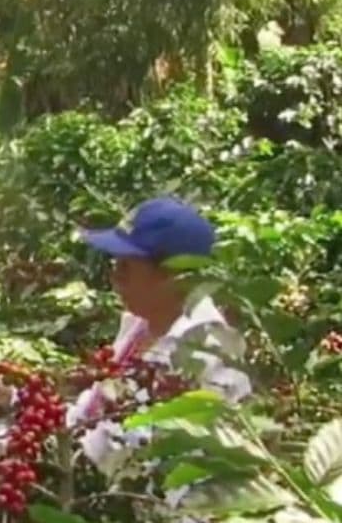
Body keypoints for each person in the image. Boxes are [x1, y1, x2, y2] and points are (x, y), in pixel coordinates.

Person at [69, 196, 252, 476]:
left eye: (125, 268)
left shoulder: (204, 351)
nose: (114, 278)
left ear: (172, 277)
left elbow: (138, 449)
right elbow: (95, 410)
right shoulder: (141, 326)